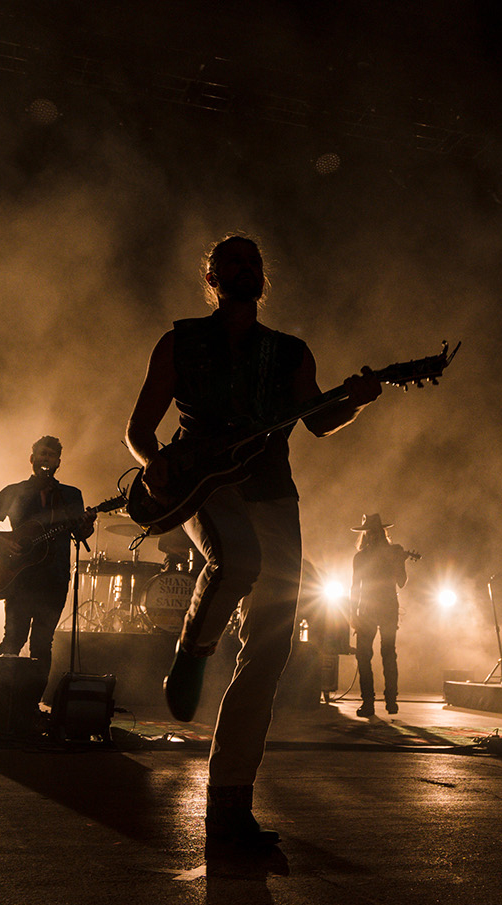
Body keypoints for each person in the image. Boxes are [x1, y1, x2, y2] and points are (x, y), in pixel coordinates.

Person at [124, 233, 382, 848]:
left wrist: (358, 401)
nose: (244, 270)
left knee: (269, 651)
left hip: (273, 491)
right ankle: (192, 647)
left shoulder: (289, 351)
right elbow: (139, 428)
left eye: (253, 263)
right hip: (204, 484)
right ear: (211, 277)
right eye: (231, 262)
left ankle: (229, 809)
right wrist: (153, 461)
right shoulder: (180, 340)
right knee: (237, 560)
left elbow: (317, 420)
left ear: (262, 280)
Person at [0, 436, 95, 700]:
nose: (45, 459)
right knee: (13, 639)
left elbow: (79, 533)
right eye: (42, 454)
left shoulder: (71, 495)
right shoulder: (14, 492)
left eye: (51, 456)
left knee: (42, 644)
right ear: (32, 458)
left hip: (54, 579)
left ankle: (30, 704)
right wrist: (3, 543)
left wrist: (86, 524)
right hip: (19, 578)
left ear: (58, 463)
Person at [349, 512, 409, 717]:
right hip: (375, 609)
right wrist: (352, 614)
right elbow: (355, 588)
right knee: (373, 655)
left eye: (375, 532)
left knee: (384, 654)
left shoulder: (392, 552)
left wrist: (401, 561)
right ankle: (374, 702)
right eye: (370, 533)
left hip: (380, 609)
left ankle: (387, 700)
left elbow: (401, 581)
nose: (372, 536)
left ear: (380, 533)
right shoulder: (363, 557)